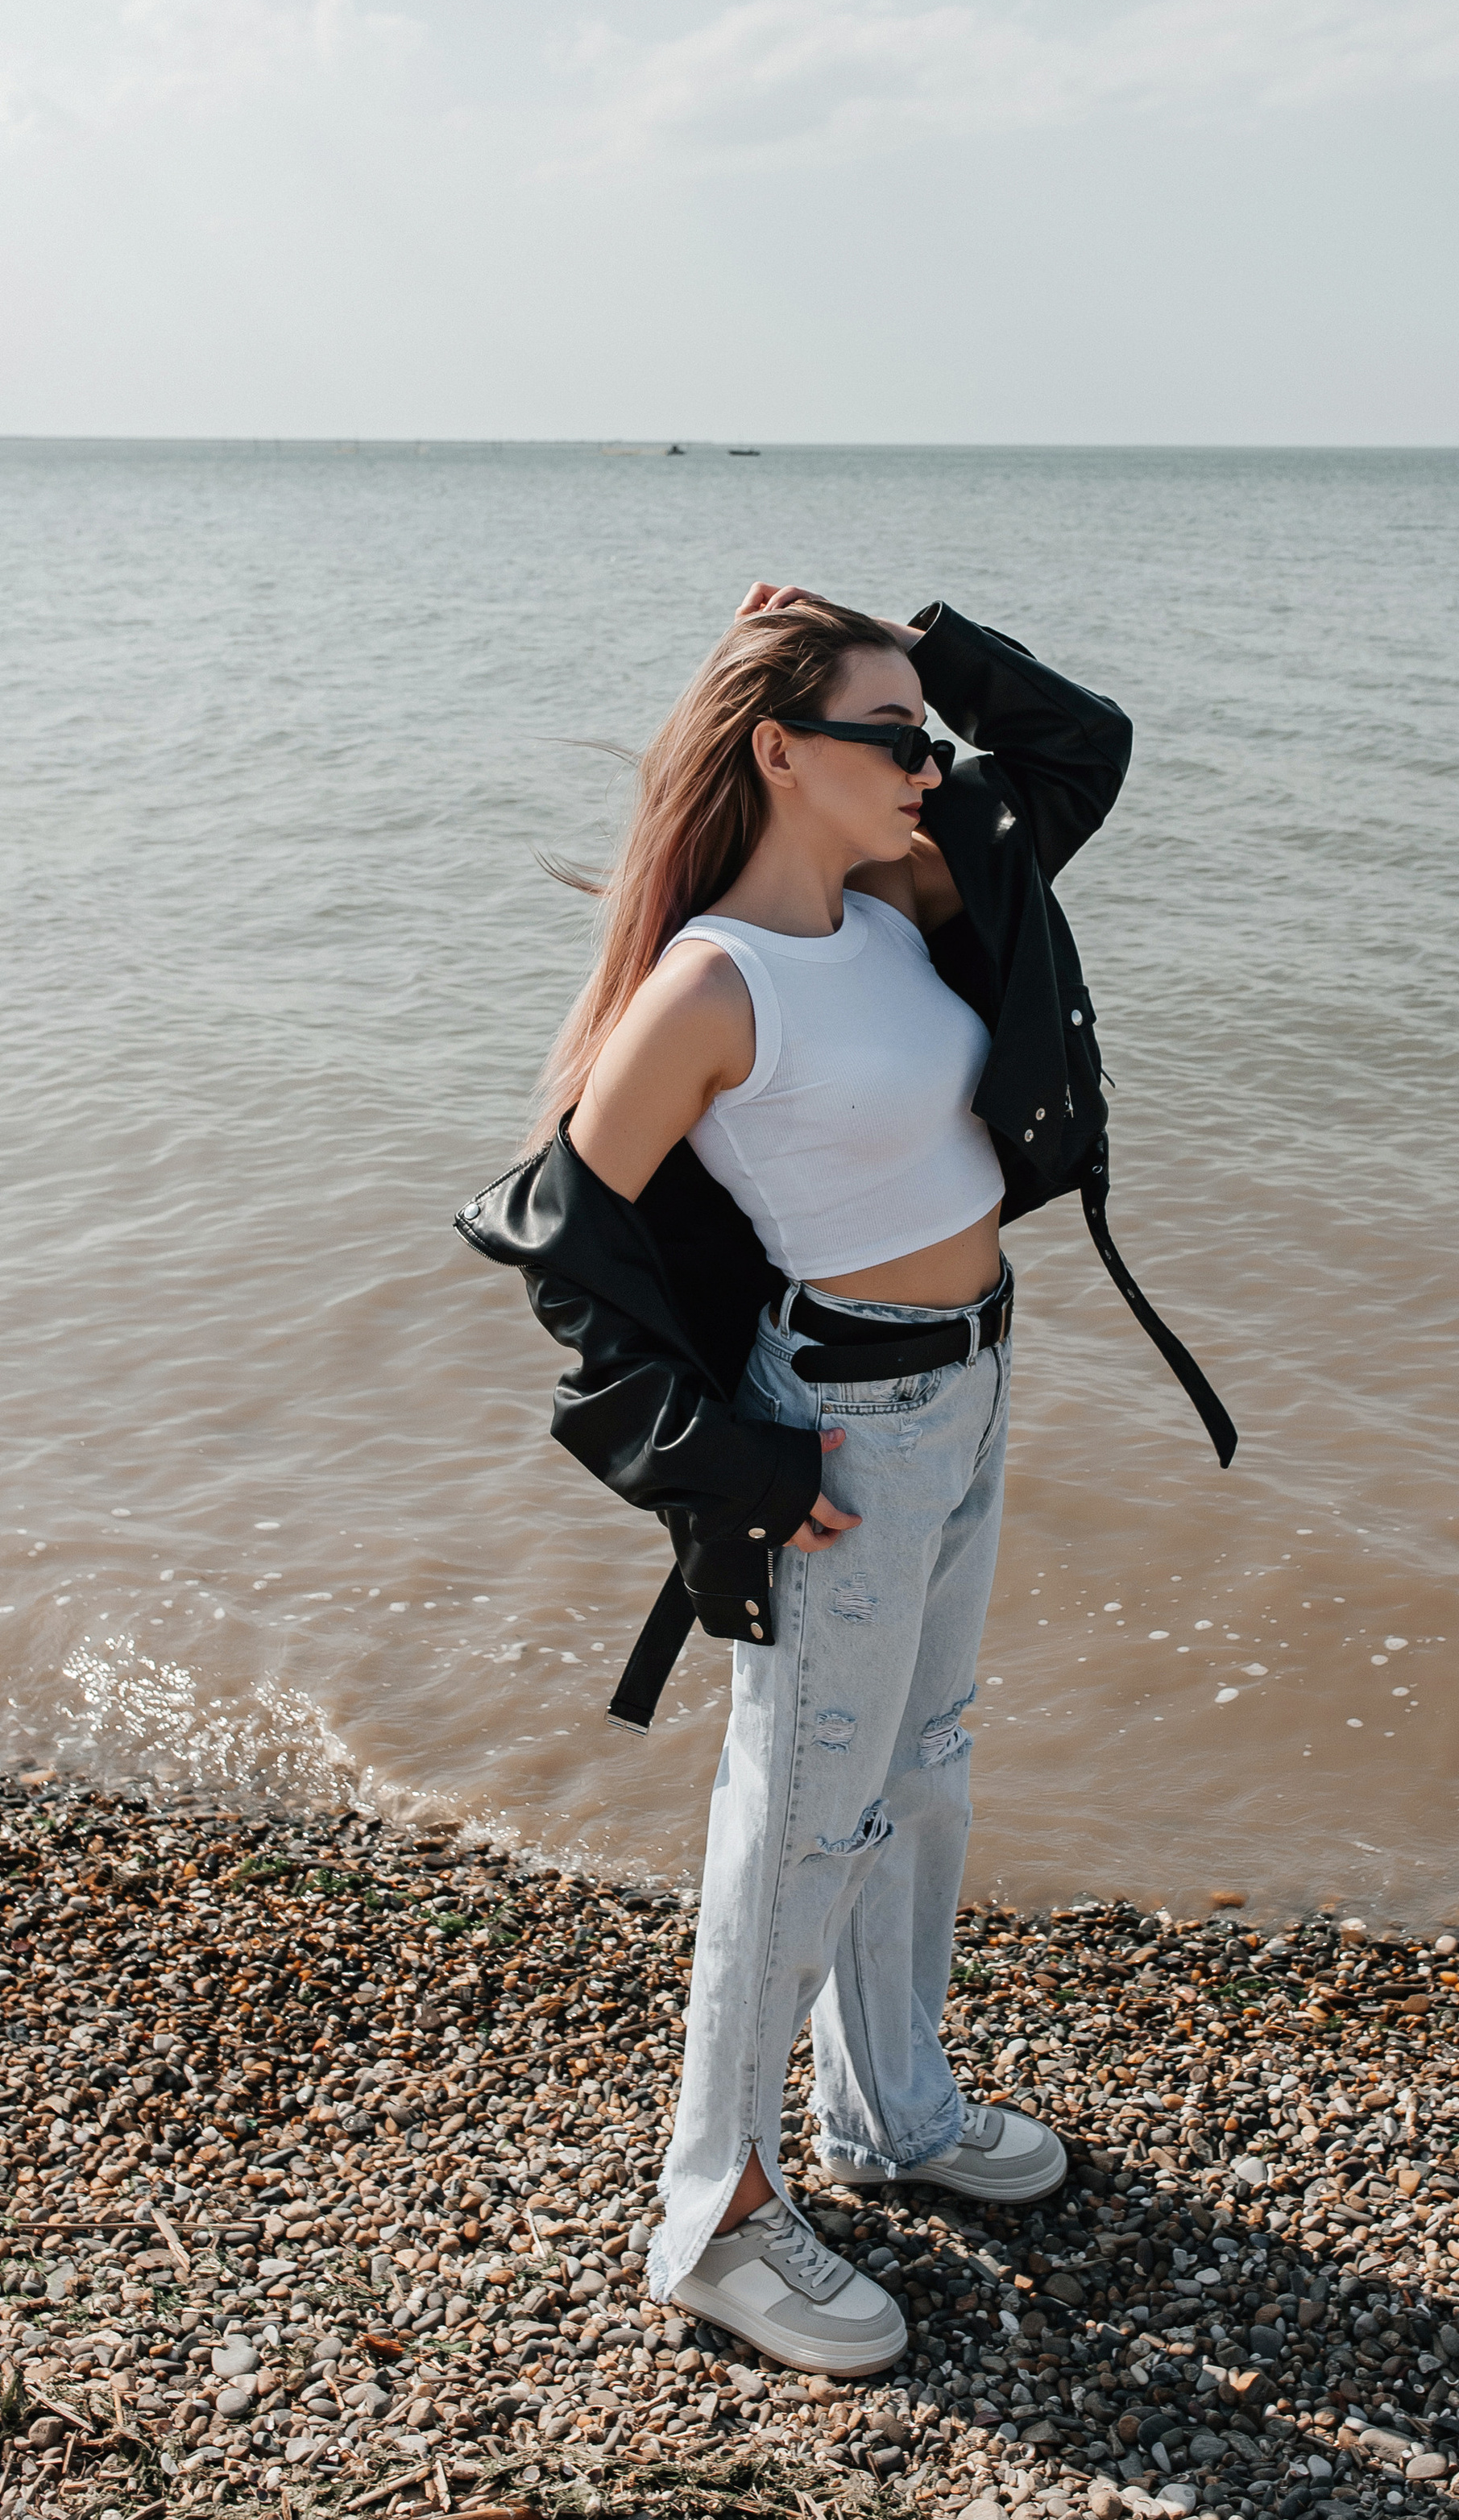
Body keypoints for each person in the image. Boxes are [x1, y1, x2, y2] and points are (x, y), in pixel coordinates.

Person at [457, 585, 1232, 2381]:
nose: (931, 764)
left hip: (973, 1383)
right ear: (779, 753)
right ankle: (712, 2214)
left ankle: (889, 2110)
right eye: (890, 736)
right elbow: (556, 1237)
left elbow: (1076, 749)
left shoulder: (899, 904)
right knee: (800, 1810)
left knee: (920, 1771)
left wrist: (913, 634)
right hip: (846, 1429)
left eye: (925, 736)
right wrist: (713, 1461)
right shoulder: (712, 986)